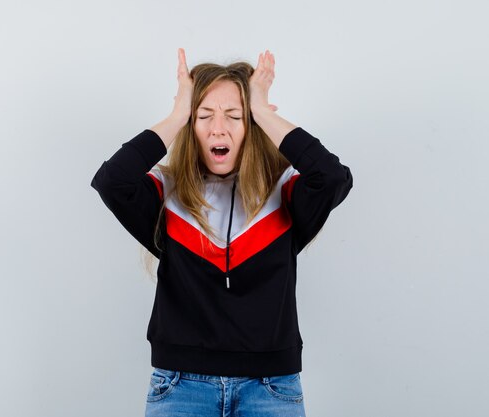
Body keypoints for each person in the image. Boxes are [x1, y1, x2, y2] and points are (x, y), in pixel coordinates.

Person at [91, 48, 353, 417]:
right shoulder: (166, 192)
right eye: (204, 116)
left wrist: (260, 110)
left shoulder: (285, 191)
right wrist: (178, 113)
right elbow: (111, 181)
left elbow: (333, 177)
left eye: (235, 116)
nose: (219, 128)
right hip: (180, 387)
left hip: (270, 388)